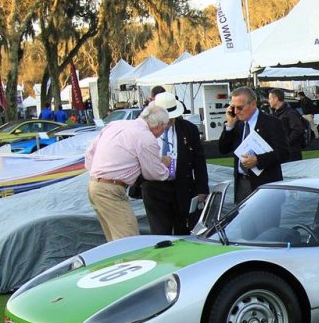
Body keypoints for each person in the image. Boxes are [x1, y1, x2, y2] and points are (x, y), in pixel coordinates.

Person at [84, 103, 171, 241]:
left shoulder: (115, 125)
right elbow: (154, 173)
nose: (162, 132)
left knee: (113, 241)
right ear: (159, 126)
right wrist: (165, 166)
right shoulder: (146, 138)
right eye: (164, 128)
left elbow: (90, 154)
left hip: (94, 185)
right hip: (112, 190)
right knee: (129, 240)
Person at [140, 91, 210, 236]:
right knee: (160, 231)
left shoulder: (189, 129)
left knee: (183, 229)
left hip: (182, 186)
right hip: (155, 187)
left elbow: (199, 161)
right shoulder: (143, 130)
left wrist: (202, 188)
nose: (168, 121)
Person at [218, 86, 290, 203]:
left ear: (252, 104)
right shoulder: (237, 123)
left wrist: (258, 160)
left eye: (240, 107)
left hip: (266, 186)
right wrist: (229, 126)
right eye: (233, 107)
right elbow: (223, 149)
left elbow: (284, 153)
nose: (236, 112)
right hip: (242, 184)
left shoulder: (272, 123)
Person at [267, 89, 305, 161]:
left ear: (276, 99)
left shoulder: (290, 113)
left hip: (292, 153)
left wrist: (286, 142)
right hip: (282, 152)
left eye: (270, 98)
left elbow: (298, 130)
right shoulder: (276, 113)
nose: (268, 101)